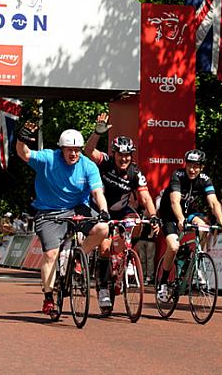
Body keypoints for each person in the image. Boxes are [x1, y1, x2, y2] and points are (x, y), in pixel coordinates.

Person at [16, 123, 110, 316]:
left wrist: (104, 210)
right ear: (62, 149)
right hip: (48, 211)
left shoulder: (88, 166)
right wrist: (21, 139)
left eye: (76, 150)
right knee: (51, 255)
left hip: (77, 208)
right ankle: (49, 298)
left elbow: (97, 192)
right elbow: (24, 153)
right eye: (69, 150)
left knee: (103, 229)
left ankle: (79, 256)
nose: (73, 154)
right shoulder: (49, 158)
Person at [84, 113, 160, 309]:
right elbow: (88, 151)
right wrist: (97, 133)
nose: (124, 159)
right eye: (121, 155)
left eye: (127, 155)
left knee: (136, 223)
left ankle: (126, 256)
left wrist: (153, 217)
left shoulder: (135, 173)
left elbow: (145, 197)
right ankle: (102, 289)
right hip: (100, 210)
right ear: (115, 154)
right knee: (105, 247)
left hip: (122, 210)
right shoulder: (106, 161)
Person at [155, 149, 222, 303]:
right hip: (170, 214)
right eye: (190, 166)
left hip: (189, 213)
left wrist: (221, 220)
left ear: (202, 168)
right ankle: (163, 283)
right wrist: (180, 219)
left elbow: (213, 202)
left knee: (204, 227)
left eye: (196, 166)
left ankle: (196, 261)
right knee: (173, 247)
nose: (192, 170)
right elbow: (174, 201)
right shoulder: (178, 176)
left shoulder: (205, 179)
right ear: (185, 165)